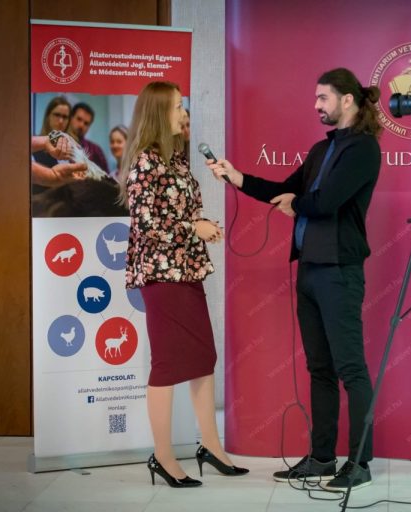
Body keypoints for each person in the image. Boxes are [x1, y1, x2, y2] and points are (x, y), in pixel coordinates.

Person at [207, 68, 382, 491]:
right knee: (320, 368)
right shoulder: (322, 149)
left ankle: (360, 462)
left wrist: (296, 204)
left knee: (350, 368)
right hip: (310, 269)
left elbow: (326, 202)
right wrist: (236, 177)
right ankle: (322, 458)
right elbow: (283, 190)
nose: (316, 104)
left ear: (346, 100)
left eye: (323, 97)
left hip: (339, 271)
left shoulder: (363, 149)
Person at [118, 81, 248, 488]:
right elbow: (147, 224)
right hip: (161, 275)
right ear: (160, 113)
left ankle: (211, 445)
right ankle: (162, 456)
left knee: (203, 356)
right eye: (177, 107)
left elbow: (180, 214)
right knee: (168, 362)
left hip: (186, 270)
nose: (184, 113)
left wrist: (204, 226)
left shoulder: (174, 159)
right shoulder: (144, 162)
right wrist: (195, 227)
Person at [68, 102, 110, 173]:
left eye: (86, 123)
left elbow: (106, 176)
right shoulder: (58, 142)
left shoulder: (95, 150)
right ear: (71, 118)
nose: (81, 125)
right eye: (79, 119)